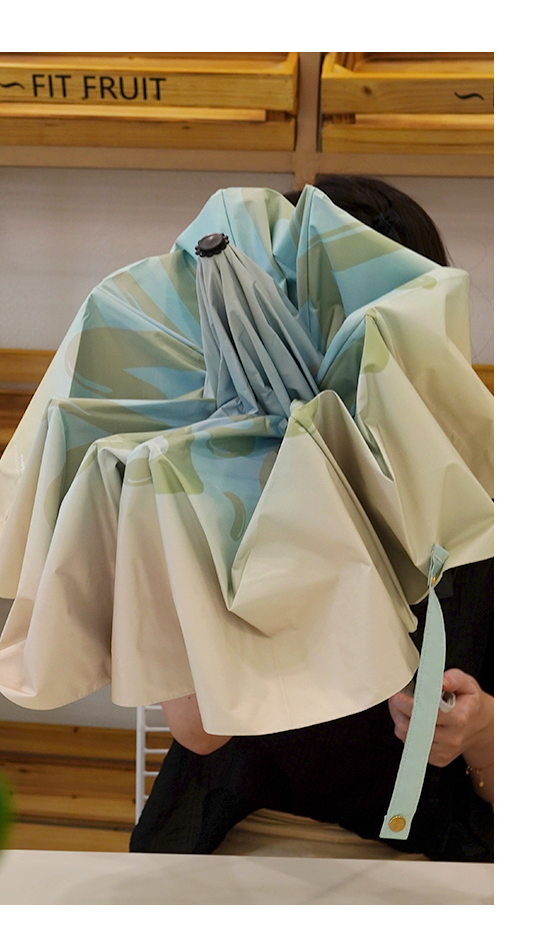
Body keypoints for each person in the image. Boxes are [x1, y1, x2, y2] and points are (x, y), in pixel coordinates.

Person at [129, 175, 493, 862]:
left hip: (426, 855)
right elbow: (201, 730)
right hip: (234, 837)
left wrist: (481, 733)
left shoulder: (484, 479)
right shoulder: (207, 473)